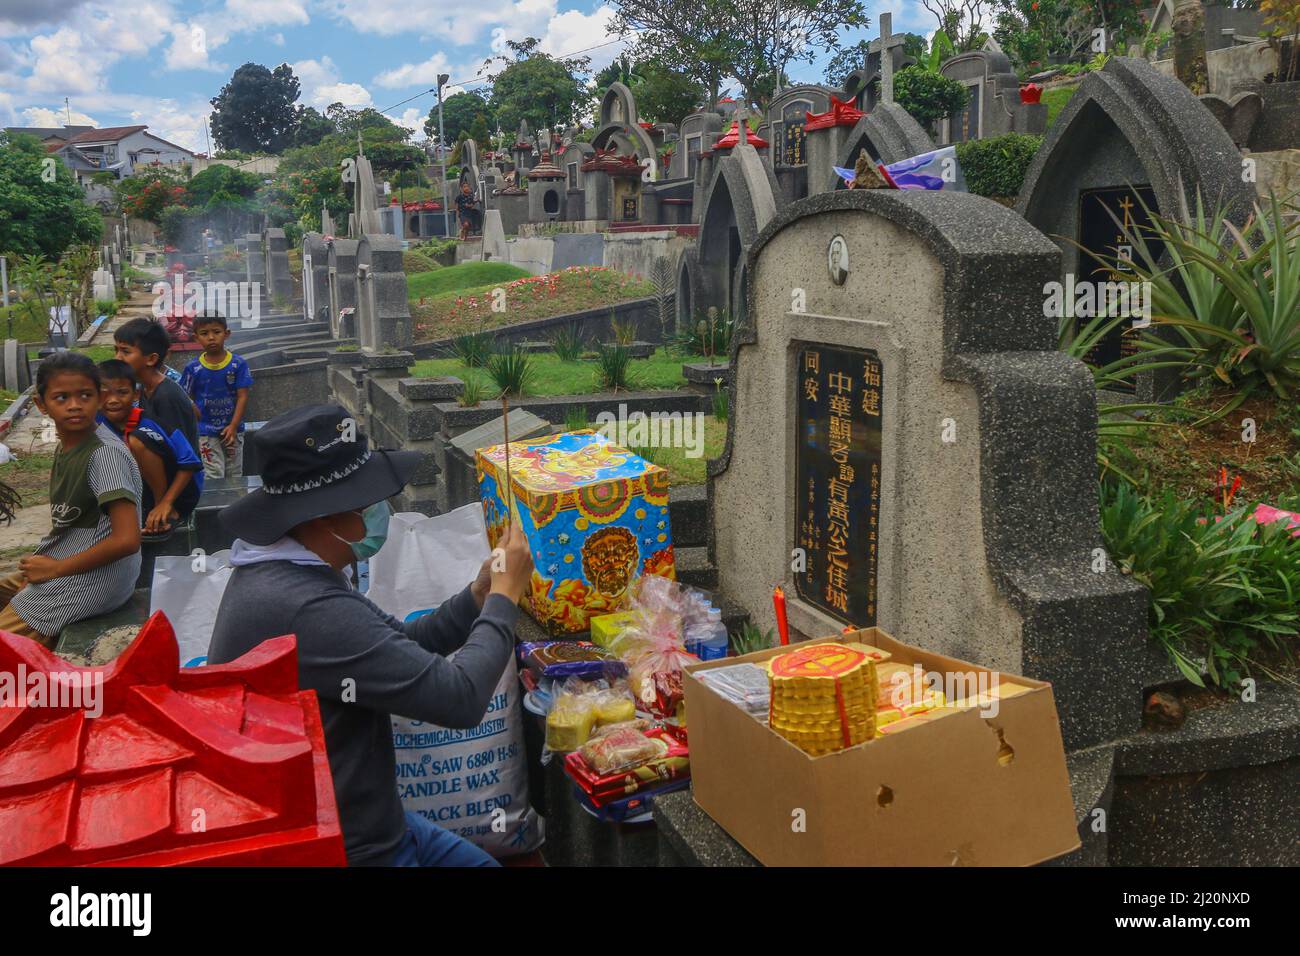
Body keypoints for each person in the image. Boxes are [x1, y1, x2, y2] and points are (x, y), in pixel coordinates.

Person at [207, 404, 534, 866]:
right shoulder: (304, 605)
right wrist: (506, 597)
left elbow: (397, 641)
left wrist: (478, 596)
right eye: (366, 504)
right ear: (323, 517)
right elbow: (459, 698)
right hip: (348, 847)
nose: (381, 512)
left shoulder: (291, 568)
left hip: (374, 818)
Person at [0, 353, 141, 647]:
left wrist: (54, 570)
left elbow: (127, 539)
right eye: (61, 397)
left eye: (85, 395)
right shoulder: (69, 446)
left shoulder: (105, 455)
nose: (74, 405)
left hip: (94, 580)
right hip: (70, 562)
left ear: (100, 398)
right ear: (41, 404)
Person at [113, 317, 202, 533]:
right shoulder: (145, 389)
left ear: (151, 359)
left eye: (125, 351)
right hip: (165, 476)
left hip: (184, 487)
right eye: (116, 350)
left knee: (138, 439)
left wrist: (166, 503)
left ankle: (162, 507)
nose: (117, 357)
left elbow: (188, 457)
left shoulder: (167, 396)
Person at [96, 359, 202, 531]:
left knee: (137, 440)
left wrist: (165, 503)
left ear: (136, 395)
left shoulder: (149, 422)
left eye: (122, 393)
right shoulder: (96, 423)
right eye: (105, 394)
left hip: (180, 491)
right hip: (137, 489)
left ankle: (160, 510)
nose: (113, 400)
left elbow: (189, 462)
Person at [180, 314, 253, 479]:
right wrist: (196, 415)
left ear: (226, 334)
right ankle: (216, 505)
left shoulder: (238, 364)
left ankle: (235, 504)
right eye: (204, 333)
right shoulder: (193, 369)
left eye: (216, 332)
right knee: (213, 474)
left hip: (232, 430)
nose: (211, 337)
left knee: (234, 474)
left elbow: (243, 396)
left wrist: (233, 426)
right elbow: (183, 395)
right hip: (206, 432)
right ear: (196, 337)